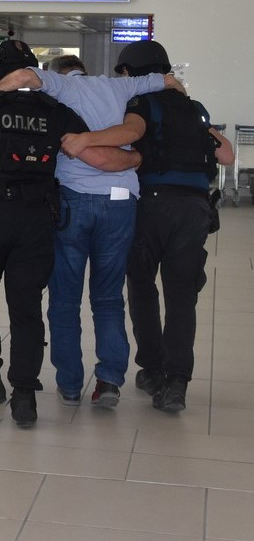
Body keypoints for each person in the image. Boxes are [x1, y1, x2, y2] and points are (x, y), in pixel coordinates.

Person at [0, 40, 140, 427]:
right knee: (27, 306)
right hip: (35, 221)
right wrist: (136, 158)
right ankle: (24, 395)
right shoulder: (56, 111)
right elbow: (99, 158)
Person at [0, 52, 182, 407]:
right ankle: (109, 381)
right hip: (121, 201)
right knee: (108, 297)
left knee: (65, 299)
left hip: (73, 201)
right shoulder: (118, 86)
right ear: (84, 70)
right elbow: (169, 81)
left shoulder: (59, 85)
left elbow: (22, 76)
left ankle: (69, 384)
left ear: (58, 73)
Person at [60, 40, 234, 413]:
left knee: (142, 288)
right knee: (182, 296)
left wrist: (87, 139)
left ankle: (152, 370)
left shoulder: (141, 102)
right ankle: (177, 381)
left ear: (130, 73)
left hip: (153, 206)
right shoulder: (194, 108)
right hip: (195, 209)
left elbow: (130, 133)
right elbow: (226, 154)